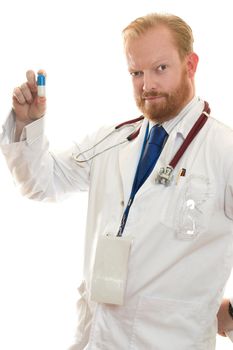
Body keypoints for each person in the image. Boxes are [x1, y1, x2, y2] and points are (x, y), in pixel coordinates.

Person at [1, 12, 233, 350]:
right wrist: (27, 125)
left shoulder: (224, 150)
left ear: (191, 64)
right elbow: (42, 183)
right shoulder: (112, 141)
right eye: (136, 72)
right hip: (96, 338)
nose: (147, 84)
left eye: (160, 68)